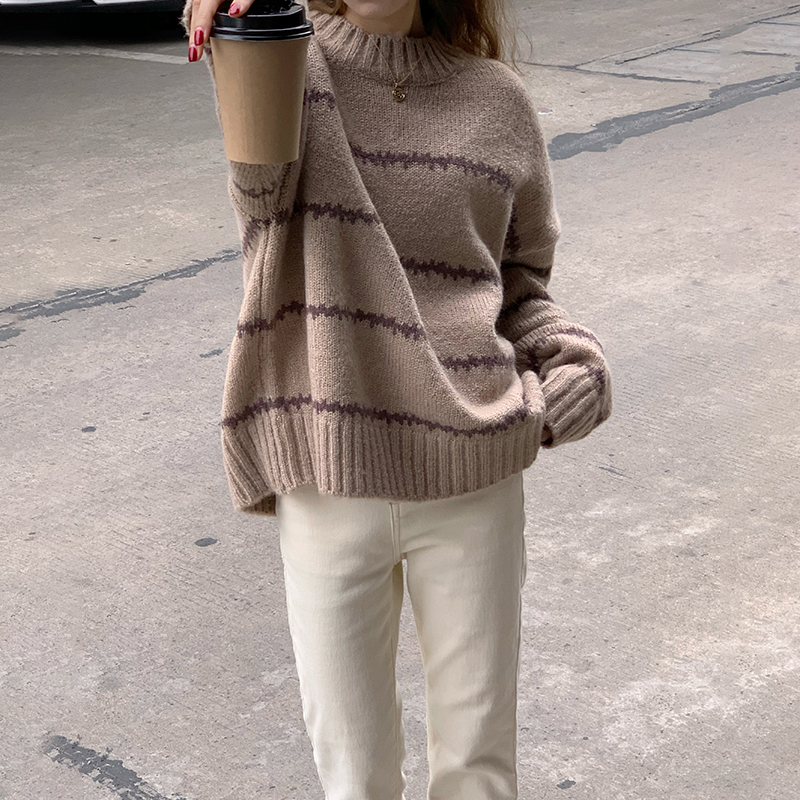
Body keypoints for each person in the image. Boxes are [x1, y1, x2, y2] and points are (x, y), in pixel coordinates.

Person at [182, 0, 613, 797]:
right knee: (355, 776)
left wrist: (572, 363)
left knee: (479, 768)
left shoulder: (497, 100)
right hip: (330, 478)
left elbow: (519, 289)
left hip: (473, 477)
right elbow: (260, 195)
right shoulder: (287, 61)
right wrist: (239, 21)